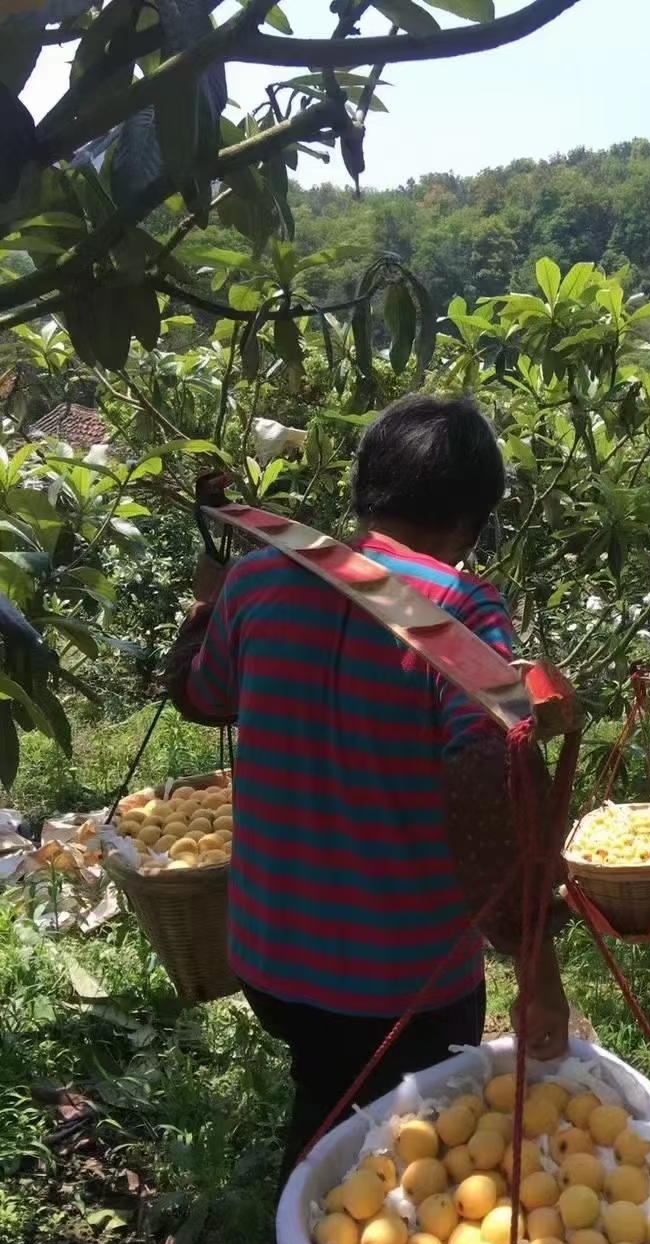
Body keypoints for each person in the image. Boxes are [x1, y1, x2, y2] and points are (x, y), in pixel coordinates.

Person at [165, 395, 570, 1195]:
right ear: (473, 519)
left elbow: (201, 696)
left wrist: (205, 600)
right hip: (404, 983)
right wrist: (539, 972)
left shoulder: (257, 581)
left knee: (325, 1097)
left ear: (366, 492)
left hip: (269, 957)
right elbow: (492, 793)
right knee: (404, 1153)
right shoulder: (456, 610)